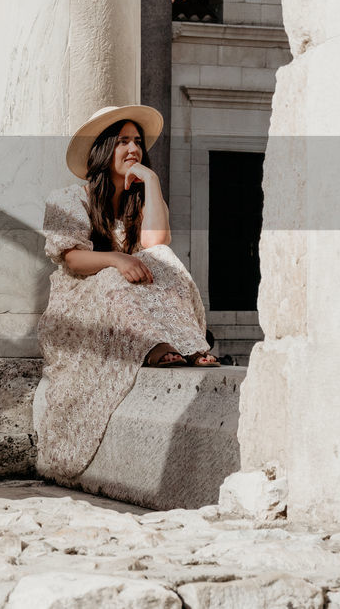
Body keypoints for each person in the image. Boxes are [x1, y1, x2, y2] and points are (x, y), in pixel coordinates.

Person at [35, 105, 218, 480]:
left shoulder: (143, 199)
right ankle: (156, 346)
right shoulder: (69, 199)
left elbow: (156, 244)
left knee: (162, 259)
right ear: (104, 150)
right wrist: (117, 258)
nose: (133, 148)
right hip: (82, 298)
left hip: (131, 291)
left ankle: (189, 344)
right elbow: (72, 259)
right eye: (122, 141)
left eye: (137, 141)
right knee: (111, 279)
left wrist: (151, 182)